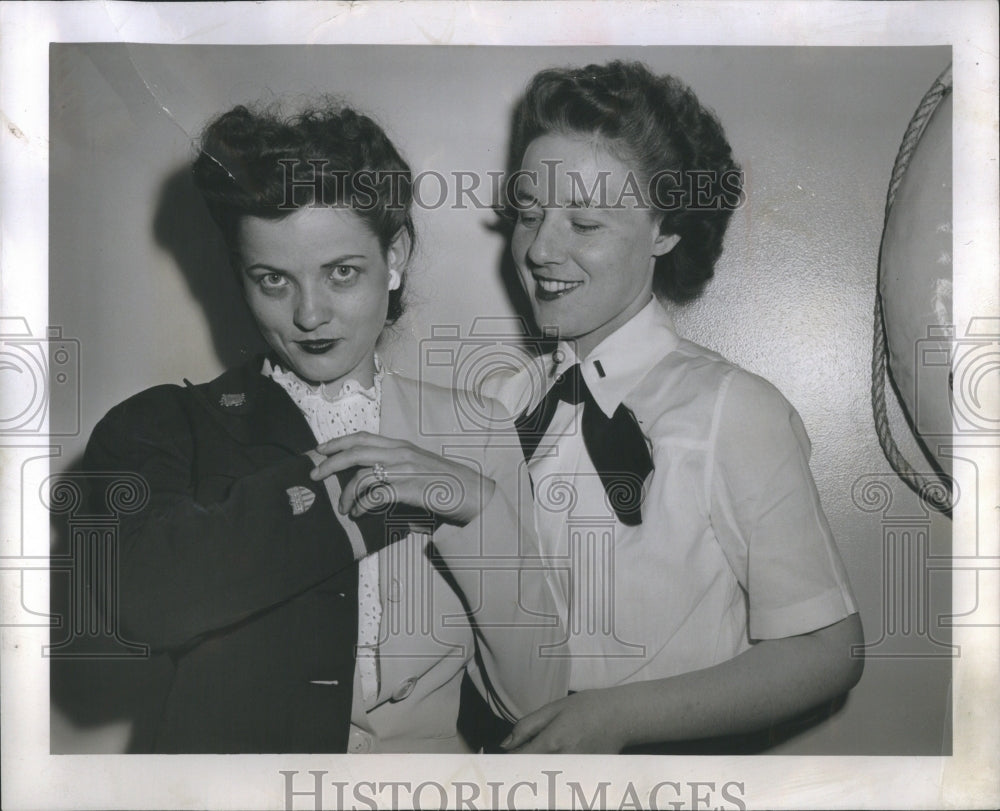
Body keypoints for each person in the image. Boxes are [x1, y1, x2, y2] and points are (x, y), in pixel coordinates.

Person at [83, 101, 566, 753]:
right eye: (273, 279)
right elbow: (138, 606)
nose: (310, 313)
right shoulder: (165, 426)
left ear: (393, 258)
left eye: (342, 272)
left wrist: (478, 507)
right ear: (239, 276)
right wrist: (345, 499)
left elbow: (534, 702)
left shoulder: (475, 429)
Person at [484, 61, 864, 754]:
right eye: (529, 213)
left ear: (665, 228)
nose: (540, 248)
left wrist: (614, 717)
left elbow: (827, 650)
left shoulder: (734, 410)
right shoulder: (499, 405)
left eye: (585, 221)